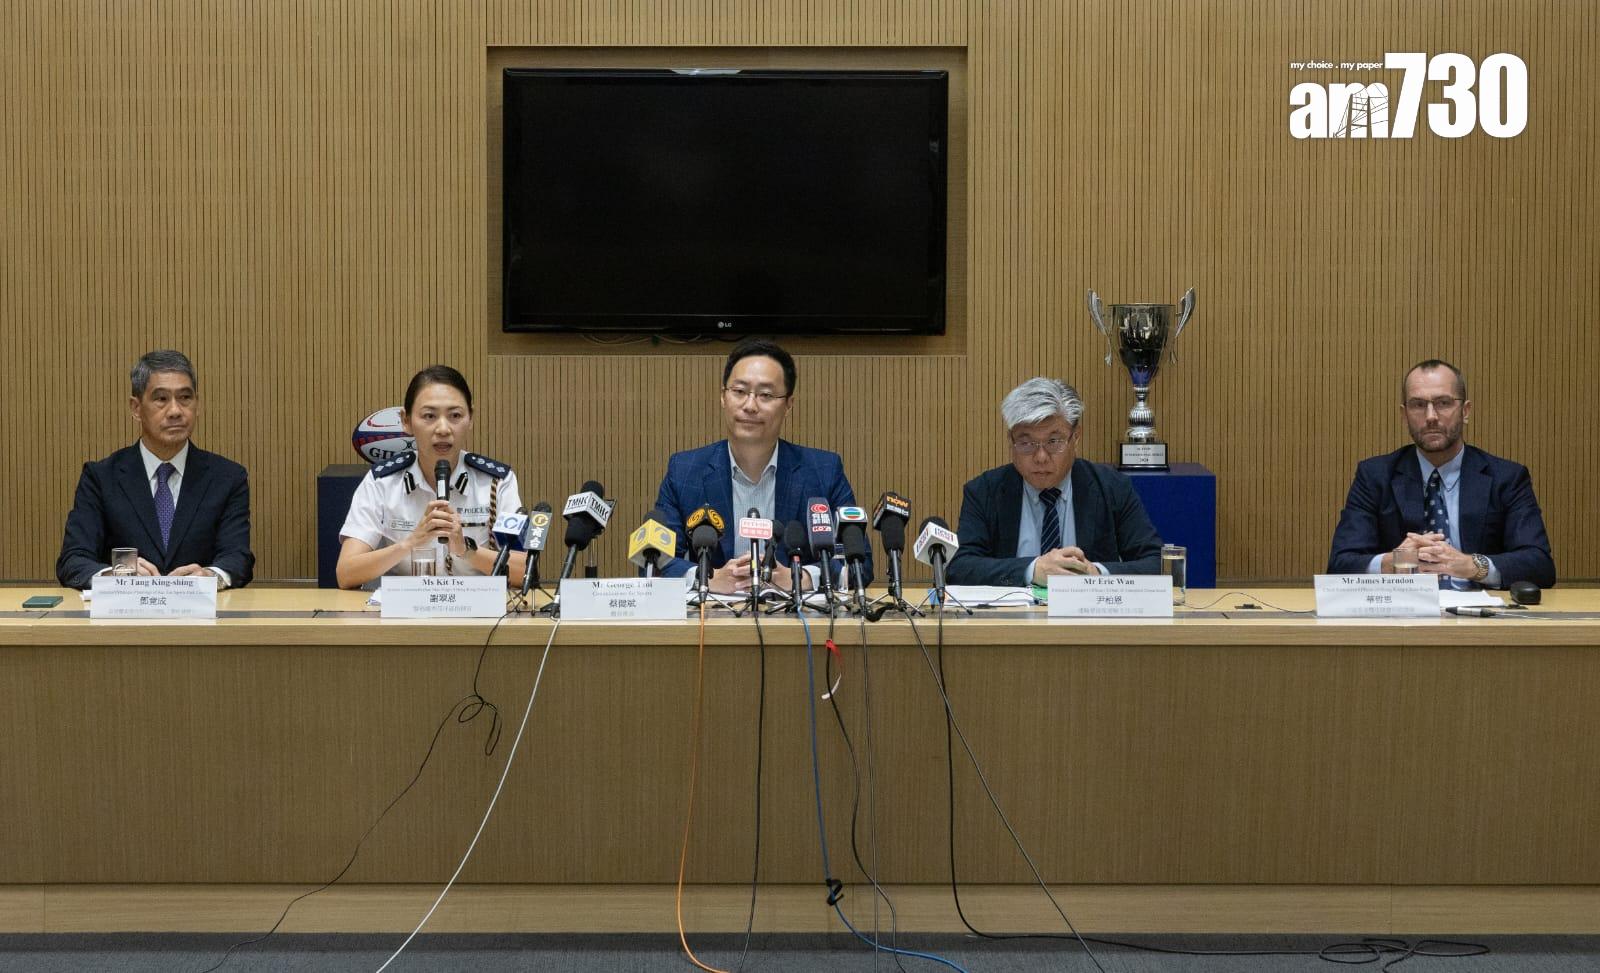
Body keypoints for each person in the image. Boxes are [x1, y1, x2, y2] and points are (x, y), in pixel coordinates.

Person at [653, 337, 868, 594]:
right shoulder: (684, 470)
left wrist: (801, 577)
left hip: (794, 616)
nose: (750, 406)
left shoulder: (824, 470)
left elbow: (860, 565)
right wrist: (706, 577)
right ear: (723, 397)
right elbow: (655, 561)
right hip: (713, 615)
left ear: (788, 404)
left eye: (765, 395)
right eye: (739, 391)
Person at [1327, 359, 1555, 588]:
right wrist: (1395, 562)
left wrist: (1472, 565)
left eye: (1443, 403)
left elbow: (1539, 565)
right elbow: (1340, 565)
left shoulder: (1506, 478)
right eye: (1418, 405)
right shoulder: (1375, 476)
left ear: (1465, 411)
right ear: (1404, 415)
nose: (1431, 416)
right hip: (1403, 607)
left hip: (1480, 608)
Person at [56, 350, 255, 589]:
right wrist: (117, 576)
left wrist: (211, 576)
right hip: (125, 610)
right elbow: (73, 560)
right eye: (161, 399)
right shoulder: (101, 478)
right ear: (136, 408)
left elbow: (238, 557)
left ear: (197, 404)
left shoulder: (227, 478)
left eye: (185, 398)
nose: (175, 411)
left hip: (201, 609)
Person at [946, 377, 1162, 586]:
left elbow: (1157, 563)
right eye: (1026, 443)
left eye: (1053, 441)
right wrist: (1031, 570)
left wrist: (1095, 574)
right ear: (1010, 441)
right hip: (1013, 612)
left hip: (1087, 610)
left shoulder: (1112, 487)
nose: (1041, 457)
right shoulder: (984, 491)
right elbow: (960, 567)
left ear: (1075, 438)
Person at [336, 365, 528, 589]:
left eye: (455, 416)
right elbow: (346, 573)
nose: (443, 429)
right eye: (429, 416)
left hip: (477, 607)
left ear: (470, 419)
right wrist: (411, 543)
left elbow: (523, 572)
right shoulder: (383, 482)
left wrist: (466, 550)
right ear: (406, 421)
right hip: (406, 608)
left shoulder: (497, 482)